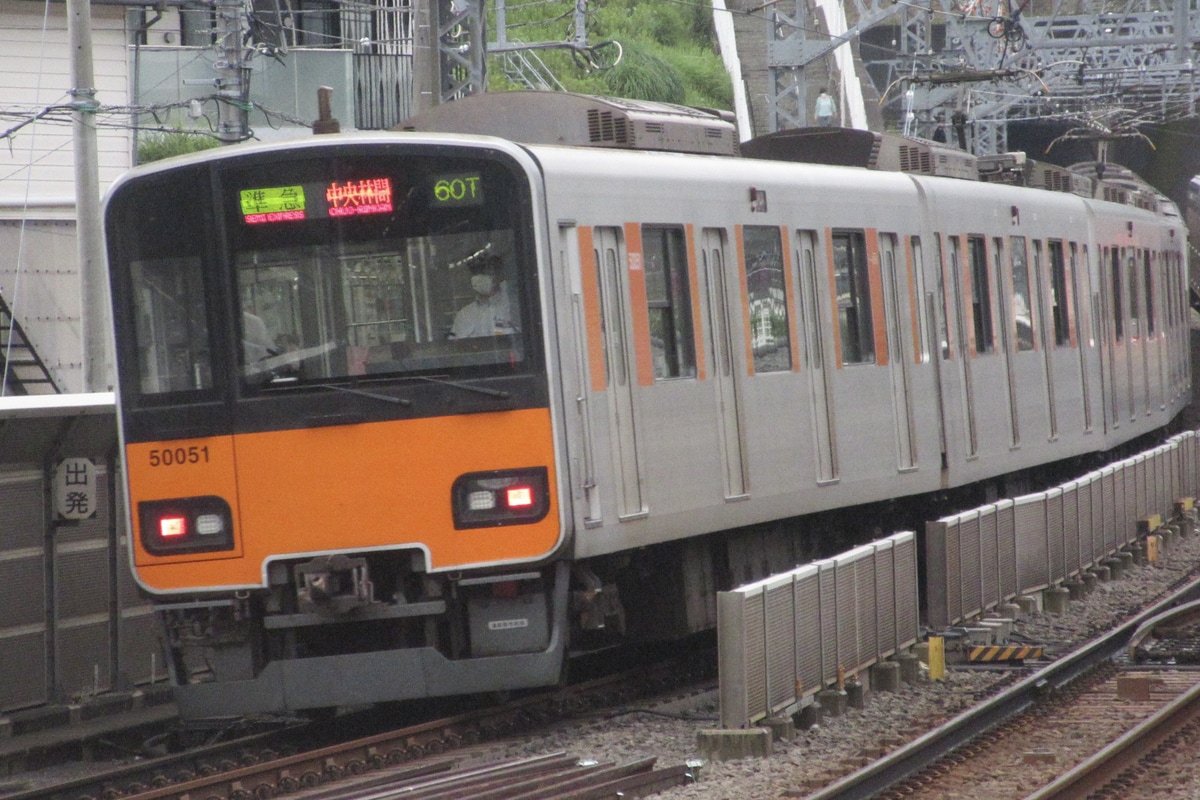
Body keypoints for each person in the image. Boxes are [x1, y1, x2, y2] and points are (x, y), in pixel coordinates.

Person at [449, 255, 518, 339]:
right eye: (478, 274)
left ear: (499, 276)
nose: (482, 278)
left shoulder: (513, 307)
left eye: (489, 273)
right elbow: (456, 346)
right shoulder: (465, 314)